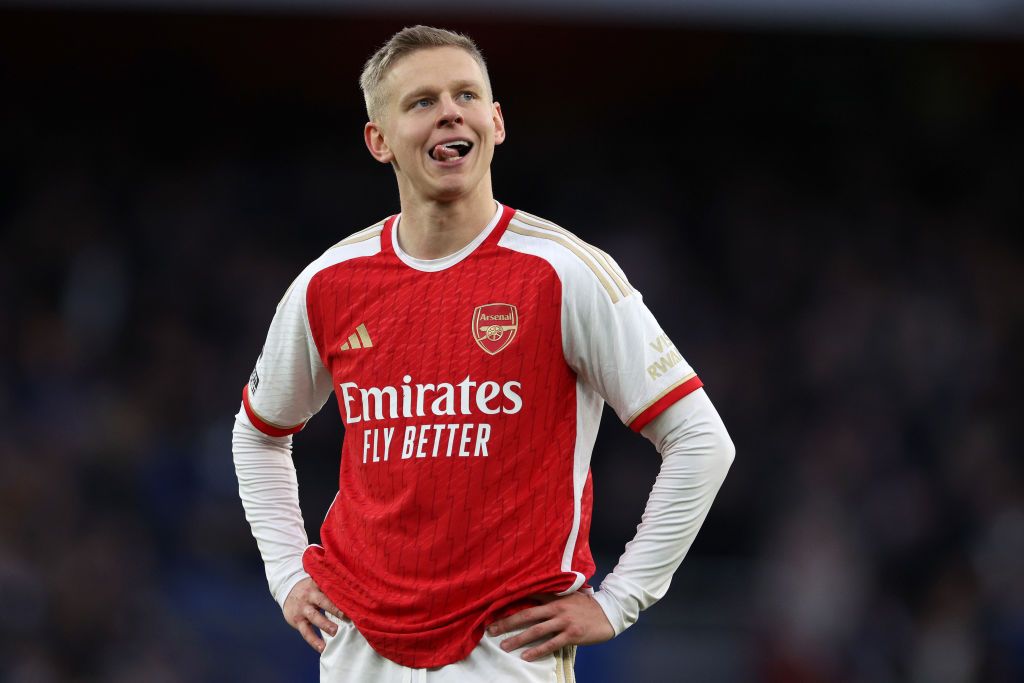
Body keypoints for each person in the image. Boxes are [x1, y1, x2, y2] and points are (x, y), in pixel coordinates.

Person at [232, 25, 735, 682]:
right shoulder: (329, 282)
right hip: (356, 645)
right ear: (378, 140)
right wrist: (287, 572)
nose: (450, 110)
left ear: (495, 122)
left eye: (466, 94)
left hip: (507, 648)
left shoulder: (562, 271)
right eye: (420, 101)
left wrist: (620, 598)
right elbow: (260, 433)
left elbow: (702, 440)